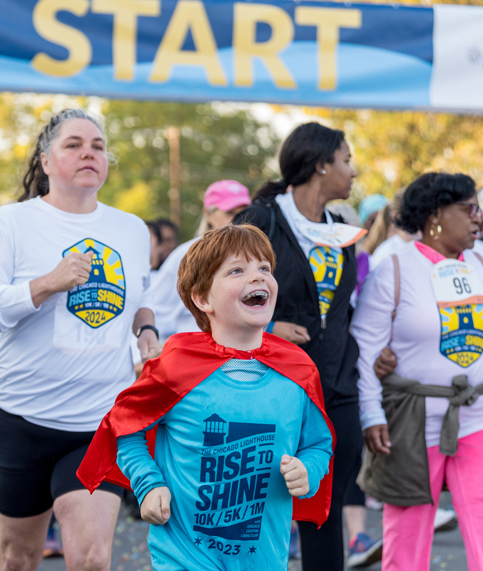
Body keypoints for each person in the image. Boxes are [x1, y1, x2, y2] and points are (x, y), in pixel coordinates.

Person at [0, 109, 160, 571]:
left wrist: (147, 329)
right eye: (73, 144)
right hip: (23, 414)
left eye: (97, 145)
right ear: (47, 160)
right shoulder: (11, 222)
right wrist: (46, 284)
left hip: (98, 418)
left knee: (91, 559)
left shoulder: (130, 228)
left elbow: (141, 297)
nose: (89, 152)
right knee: (17, 557)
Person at [77, 223, 335, 571]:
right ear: (201, 298)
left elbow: (319, 445)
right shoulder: (175, 366)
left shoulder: (299, 371)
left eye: (264, 268)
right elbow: (125, 428)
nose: (257, 277)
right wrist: (148, 483)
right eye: (237, 270)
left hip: (265, 560)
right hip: (183, 557)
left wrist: (309, 470)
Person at [352, 172, 483, 571]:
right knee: (407, 536)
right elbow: (366, 348)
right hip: (411, 420)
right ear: (435, 215)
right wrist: (371, 414)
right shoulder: (393, 269)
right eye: (468, 209)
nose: (479, 219)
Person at [233, 122, 363, 571]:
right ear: (322, 164)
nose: (353, 171)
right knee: (250, 511)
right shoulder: (261, 219)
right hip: (272, 386)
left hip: (335, 388)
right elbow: (217, 289)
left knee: (324, 508)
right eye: (347, 160)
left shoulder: (342, 229)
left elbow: (342, 310)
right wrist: (267, 328)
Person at [150, 180, 251, 343]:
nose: (239, 219)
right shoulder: (188, 255)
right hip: (194, 357)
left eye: (244, 212)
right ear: (208, 213)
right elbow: (155, 312)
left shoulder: (256, 254)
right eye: (230, 212)